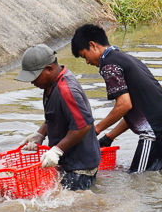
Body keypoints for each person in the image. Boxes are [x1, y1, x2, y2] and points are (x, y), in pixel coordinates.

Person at [71, 24, 162, 173]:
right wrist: (109, 137)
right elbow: (134, 111)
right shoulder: (127, 59)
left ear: (93, 45)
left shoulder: (108, 65)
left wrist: (95, 130)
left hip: (154, 132)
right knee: (156, 177)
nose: (87, 62)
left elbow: (124, 105)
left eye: (84, 56)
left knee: (139, 180)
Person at [16, 44, 101, 190]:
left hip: (79, 168)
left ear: (49, 69)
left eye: (34, 76)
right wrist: (40, 134)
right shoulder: (51, 83)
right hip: (69, 163)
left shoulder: (66, 90)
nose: (32, 82)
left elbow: (83, 125)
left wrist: (57, 150)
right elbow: (57, 115)